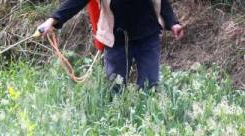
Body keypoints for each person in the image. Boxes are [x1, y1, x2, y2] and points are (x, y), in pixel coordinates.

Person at [37, 0, 184, 90]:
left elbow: (162, 2)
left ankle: (149, 128)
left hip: (148, 37)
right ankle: (119, 129)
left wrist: (173, 23)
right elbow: (77, 1)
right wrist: (53, 20)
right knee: (116, 89)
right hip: (116, 40)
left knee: (150, 86)